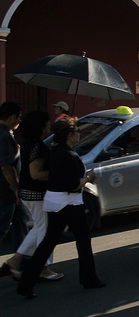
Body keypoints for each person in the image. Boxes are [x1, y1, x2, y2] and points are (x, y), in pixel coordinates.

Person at [17, 117, 105, 299]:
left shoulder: (55, 151)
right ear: (71, 135)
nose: (80, 134)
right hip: (69, 203)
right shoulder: (69, 156)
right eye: (78, 132)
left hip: (54, 201)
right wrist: (88, 179)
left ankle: (26, 282)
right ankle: (89, 278)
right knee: (82, 240)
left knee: (48, 242)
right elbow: (72, 184)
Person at [2, 112, 63, 281]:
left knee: (39, 227)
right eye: (47, 123)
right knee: (45, 230)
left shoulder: (28, 143)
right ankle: (42, 267)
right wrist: (57, 173)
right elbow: (36, 173)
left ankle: (16, 260)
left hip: (29, 192)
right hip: (36, 193)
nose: (49, 125)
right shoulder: (38, 147)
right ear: (42, 126)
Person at [0, 102, 28, 253]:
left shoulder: (6, 134)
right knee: (3, 227)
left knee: (20, 222)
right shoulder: (4, 136)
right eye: (19, 117)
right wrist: (15, 188)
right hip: (6, 191)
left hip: (9, 190)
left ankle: (21, 259)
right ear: (12, 117)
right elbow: (6, 167)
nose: (19, 121)